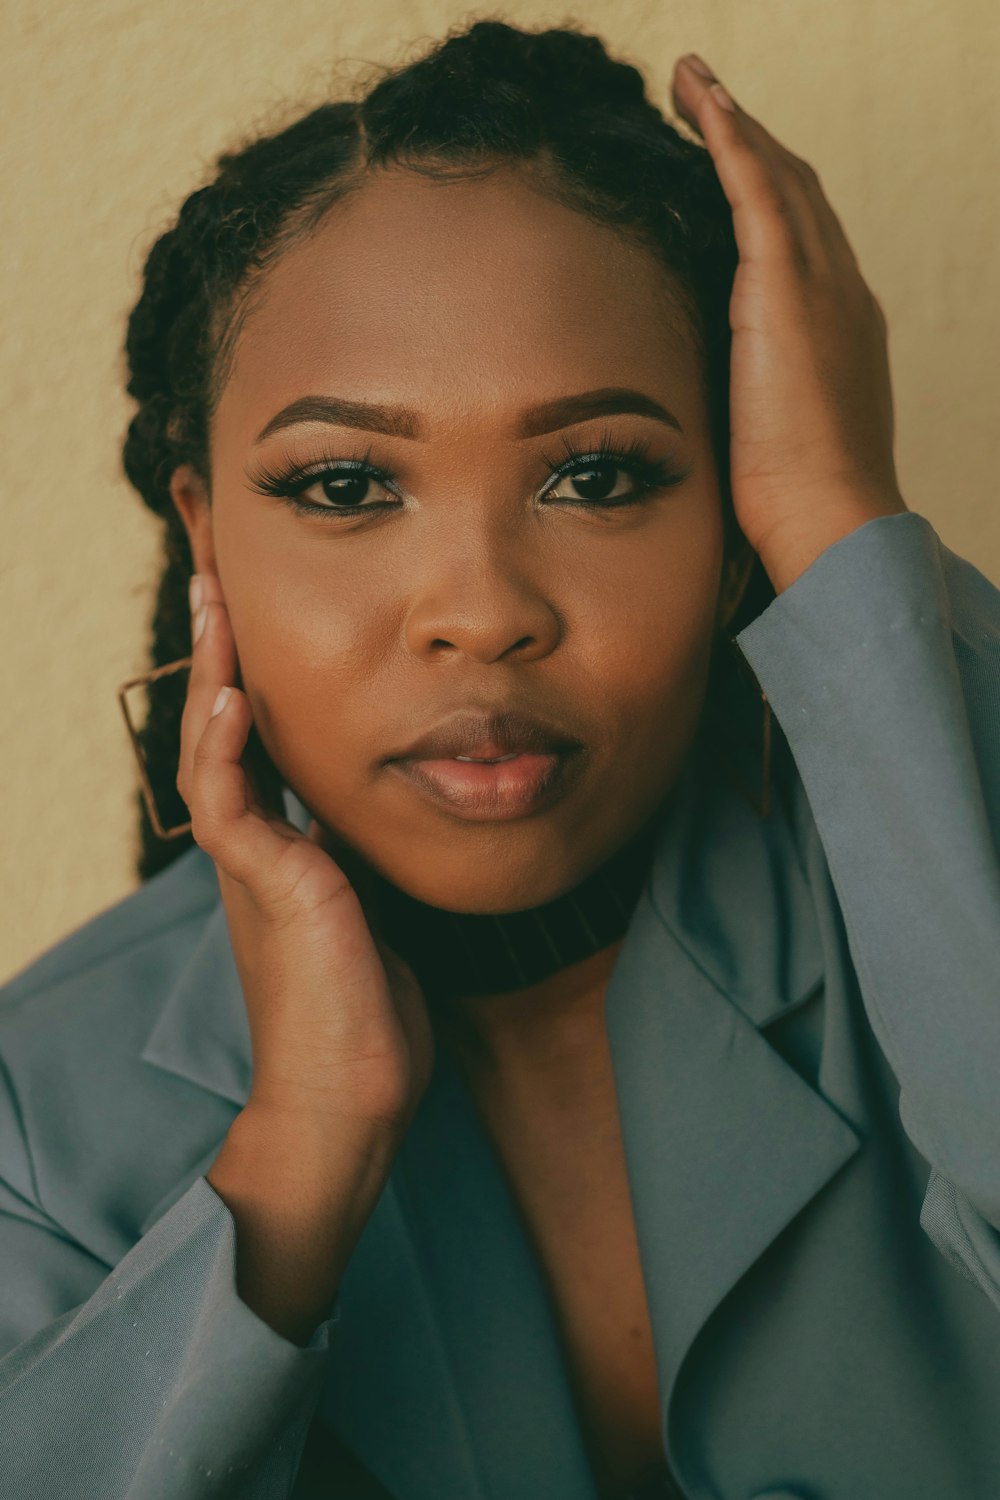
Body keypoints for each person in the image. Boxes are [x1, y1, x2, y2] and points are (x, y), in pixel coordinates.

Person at [1, 17, 998, 1500]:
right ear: (206, 531)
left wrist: (846, 527)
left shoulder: (928, 912)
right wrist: (298, 1156)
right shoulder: (40, 1113)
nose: (482, 614)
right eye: (345, 485)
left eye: (598, 476)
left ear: (735, 520)